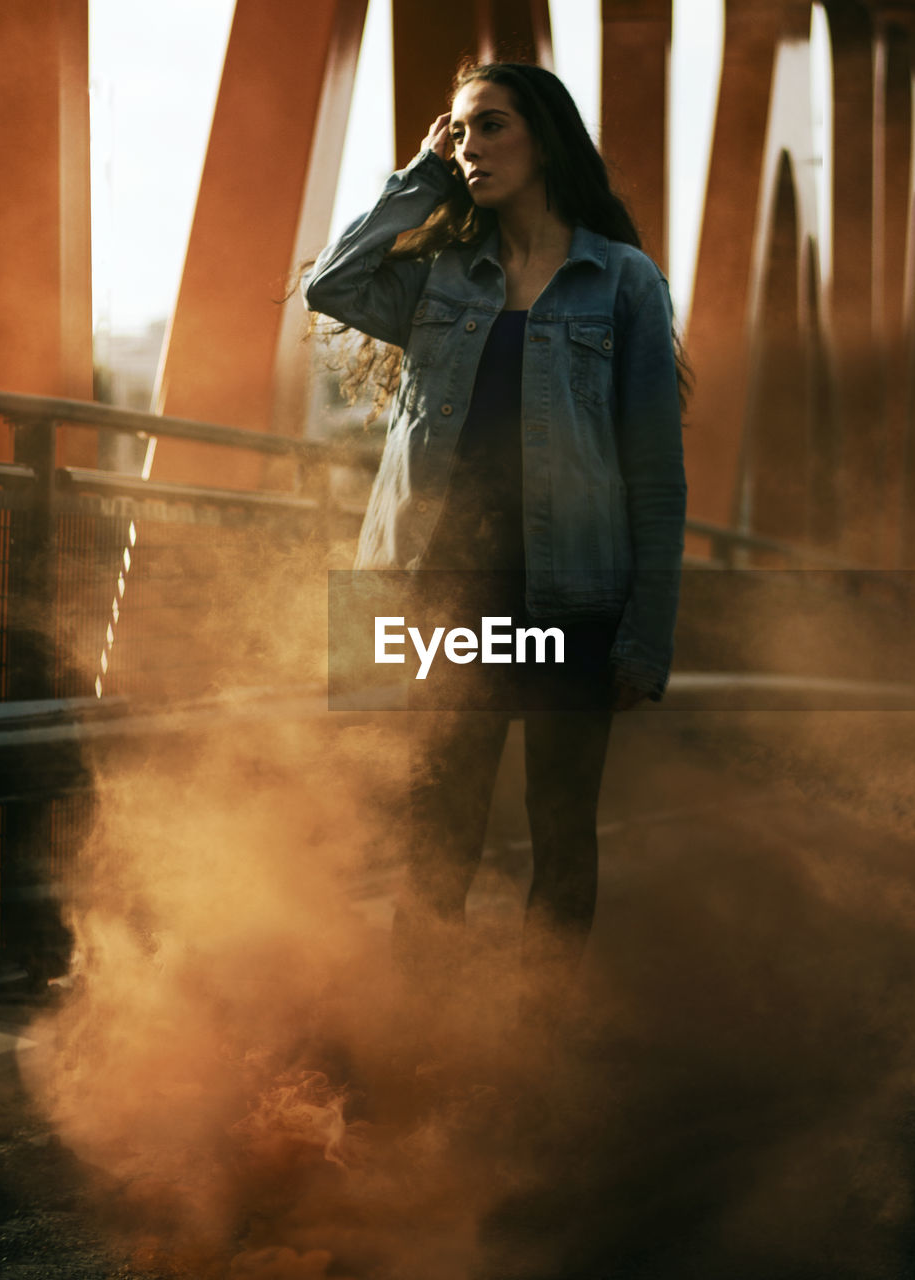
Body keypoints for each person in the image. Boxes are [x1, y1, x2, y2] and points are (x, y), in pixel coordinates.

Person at [302, 60, 687, 1023]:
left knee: (561, 835)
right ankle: (424, 1045)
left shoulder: (623, 282)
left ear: (547, 140)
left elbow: (655, 471)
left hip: (575, 599)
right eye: (460, 130)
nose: (471, 146)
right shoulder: (445, 274)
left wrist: (648, 635)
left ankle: (539, 1051)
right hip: (446, 598)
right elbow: (332, 285)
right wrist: (422, 177)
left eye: (492, 127)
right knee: (437, 832)